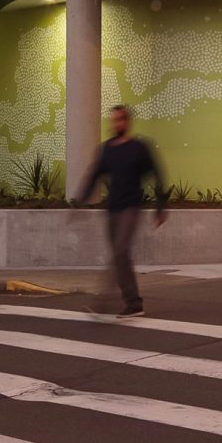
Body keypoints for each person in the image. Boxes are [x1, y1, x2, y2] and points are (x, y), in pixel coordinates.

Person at [75, 104, 167, 315]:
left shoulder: (139, 148)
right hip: (112, 210)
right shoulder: (107, 149)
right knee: (119, 256)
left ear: (128, 122)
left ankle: (104, 301)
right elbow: (94, 174)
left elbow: (157, 175)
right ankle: (134, 303)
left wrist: (160, 208)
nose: (117, 123)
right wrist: (80, 201)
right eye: (114, 120)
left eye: (121, 119)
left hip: (131, 208)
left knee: (120, 250)